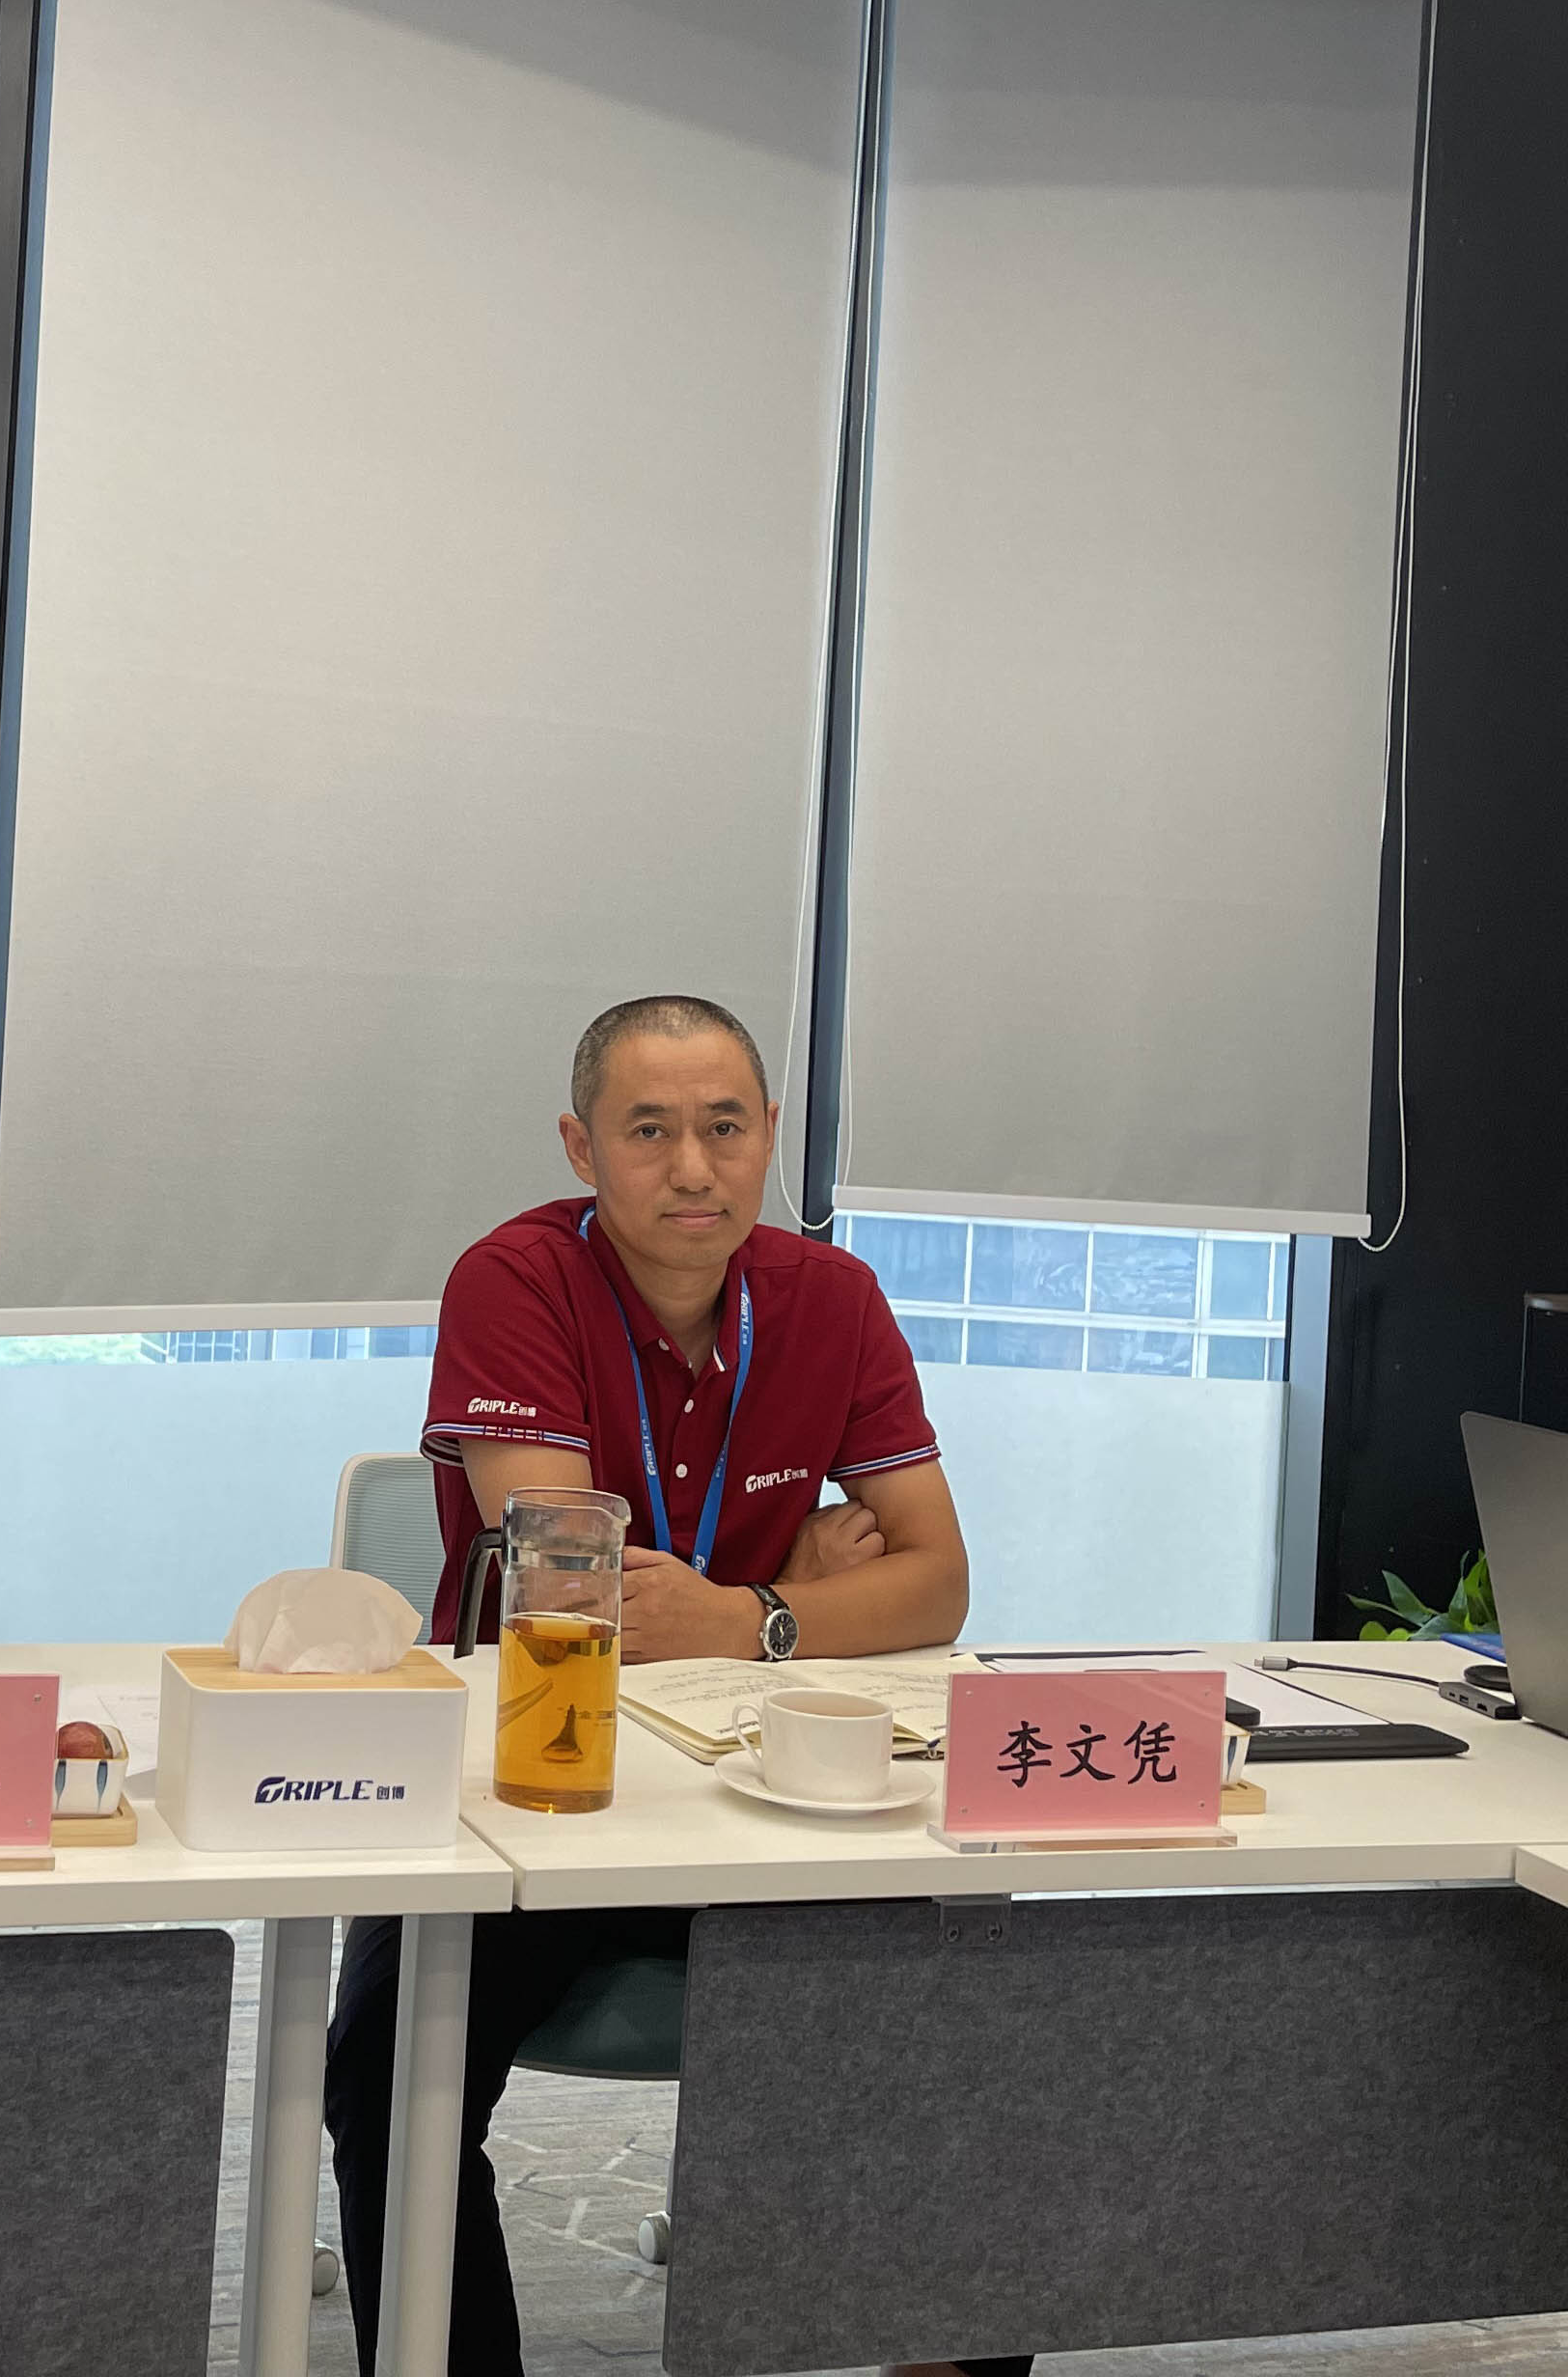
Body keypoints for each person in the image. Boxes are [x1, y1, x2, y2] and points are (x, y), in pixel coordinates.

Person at [321, 994, 1017, 2377]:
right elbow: (571, 1592)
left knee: (967, 2022)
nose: (693, 1168)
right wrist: (808, 1591)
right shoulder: (515, 1280)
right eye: (649, 1131)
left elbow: (937, 1584)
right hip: (540, 1782)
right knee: (387, 2063)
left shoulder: (833, 1300)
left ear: (769, 1138)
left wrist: (754, 1614)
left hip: (765, 1786)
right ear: (582, 1147)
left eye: (725, 1127)